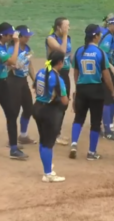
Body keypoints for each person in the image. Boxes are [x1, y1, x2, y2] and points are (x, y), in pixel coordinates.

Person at [69, 24, 114, 160]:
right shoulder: (100, 53)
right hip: (96, 89)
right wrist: (113, 92)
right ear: (96, 36)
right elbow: (106, 75)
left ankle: (74, 143)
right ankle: (91, 153)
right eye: (99, 34)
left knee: (79, 118)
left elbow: (76, 72)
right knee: (95, 122)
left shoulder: (79, 51)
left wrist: (77, 87)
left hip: (82, 89)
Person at [33, 50, 69, 182]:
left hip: (37, 107)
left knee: (43, 140)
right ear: (60, 63)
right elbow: (64, 101)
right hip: (48, 112)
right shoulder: (57, 79)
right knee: (48, 143)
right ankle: (48, 174)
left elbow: (35, 87)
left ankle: (47, 166)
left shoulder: (41, 72)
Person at [0, 22, 29, 160]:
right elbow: (12, 61)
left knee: (11, 114)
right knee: (11, 114)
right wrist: (17, 43)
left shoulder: (3, 46)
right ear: (3, 35)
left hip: (3, 83)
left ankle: (13, 149)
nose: (12, 37)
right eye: (10, 35)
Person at [7, 25, 36, 145]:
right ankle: (12, 140)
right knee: (14, 110)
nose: (28, 37)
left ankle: (23, 136)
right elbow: (7, 65)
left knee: (28, 108)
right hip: (13, 81)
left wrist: (34, 80)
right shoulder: (11, 49)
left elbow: (29, 65)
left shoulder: (27, 48)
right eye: (26, 36)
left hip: (23, 81)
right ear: (19, 37)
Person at [45, 17, 71, 146]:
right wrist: (65, 36)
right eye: (66, 26)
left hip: (64, 73)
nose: (68, 28)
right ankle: (52, 133)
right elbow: (62, 51)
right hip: (53, 74)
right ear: (58, 27)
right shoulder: (51, 39)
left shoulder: (68, 38)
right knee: (54, 103)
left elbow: (69, 54)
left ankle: (57, 132)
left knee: (64, 104)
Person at [99, 15, 114, 140]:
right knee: (107, 99)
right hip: (105, 70)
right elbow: (102, 54)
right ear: (110, 24)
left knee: (105, 100)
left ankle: (101, 127)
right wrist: (111, 67)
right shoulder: (108, 36)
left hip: (102, 69)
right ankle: (107, 130)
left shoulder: (107, 33)